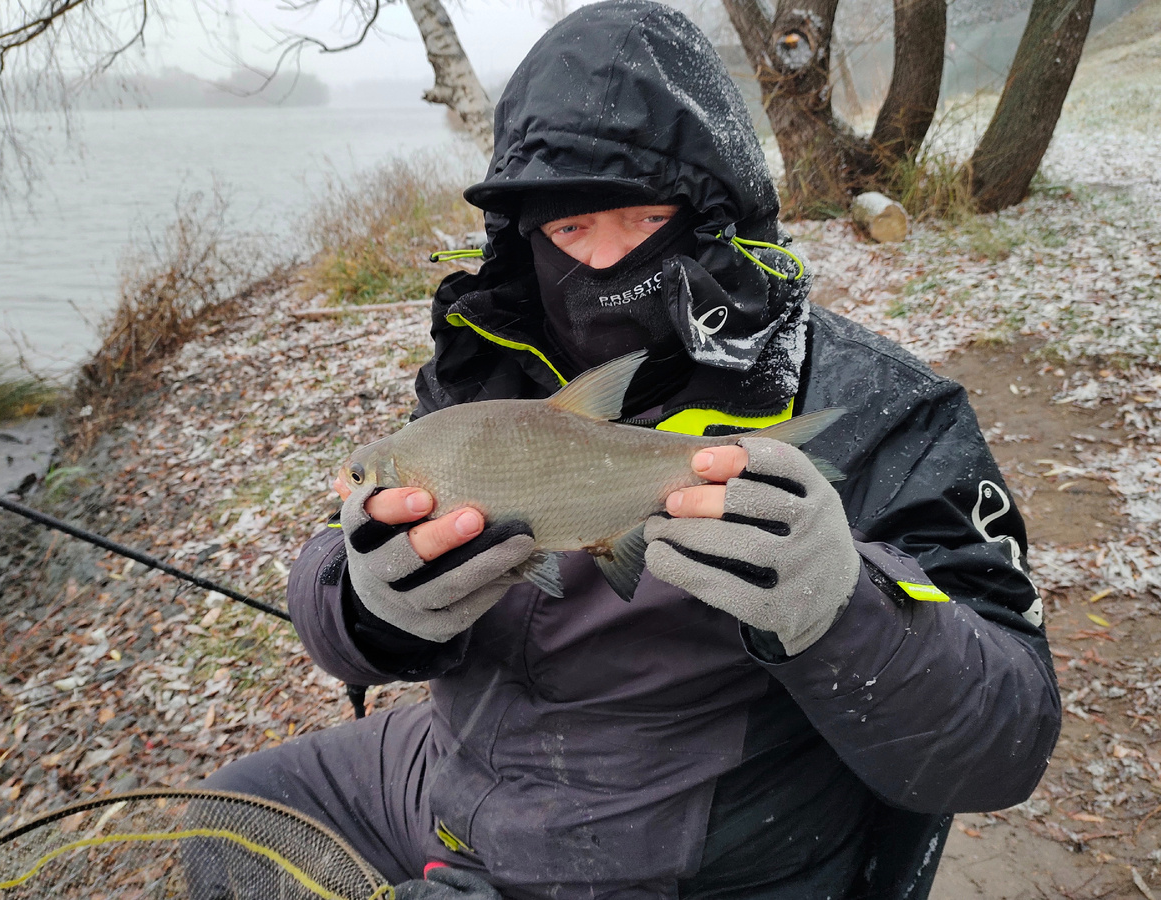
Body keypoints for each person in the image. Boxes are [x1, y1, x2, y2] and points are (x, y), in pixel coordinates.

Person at [204, 2, 1061, 897]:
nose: (602, 266)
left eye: (644, 220)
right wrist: (367, 607)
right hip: (457, 770)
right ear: (525, 237)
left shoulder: (876, 406)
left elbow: (1008, 743)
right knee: (236, 813)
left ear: (719, 213)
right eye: (569, 231)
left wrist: (844, 611)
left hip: (671, 841)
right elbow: (340, 576)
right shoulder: (487, 358)